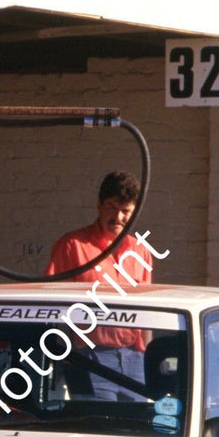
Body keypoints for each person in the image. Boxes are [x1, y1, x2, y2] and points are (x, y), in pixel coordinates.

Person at [47, 171, 154, 399]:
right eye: (111, 208)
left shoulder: (141, 251)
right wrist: (61, 359)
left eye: (126, 211)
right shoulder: (72, 246)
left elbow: (148, 311)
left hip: (134, 359)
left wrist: (146, 356)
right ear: (99, 206)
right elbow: (53, 308)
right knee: (99, 428)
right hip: (88, 357)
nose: (118, 217)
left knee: (138, 429)